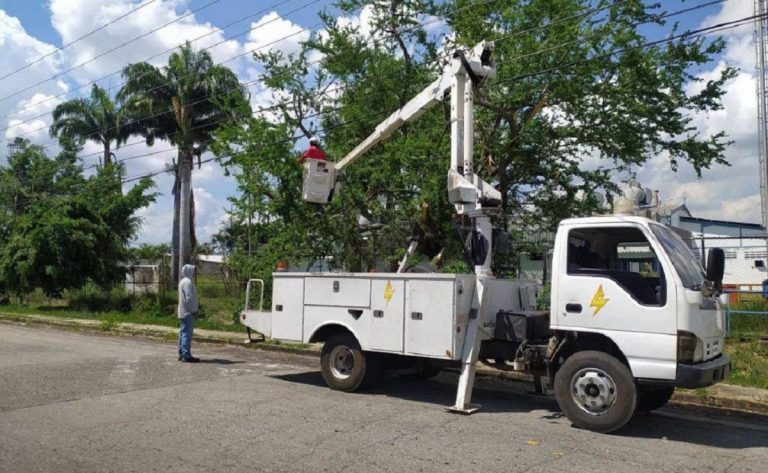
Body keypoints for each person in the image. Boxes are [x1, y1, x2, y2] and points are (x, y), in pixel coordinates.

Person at [177, 264, 200, 363]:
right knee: (187, 333)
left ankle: (181, 353)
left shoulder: (182, 281)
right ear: (189, 271)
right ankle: (186, 355)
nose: (194, 272)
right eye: (192, 270)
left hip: (183, 311)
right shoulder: (188, 282)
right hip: (188, 312)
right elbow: (189, 298)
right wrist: (194, 310)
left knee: (183, 333)